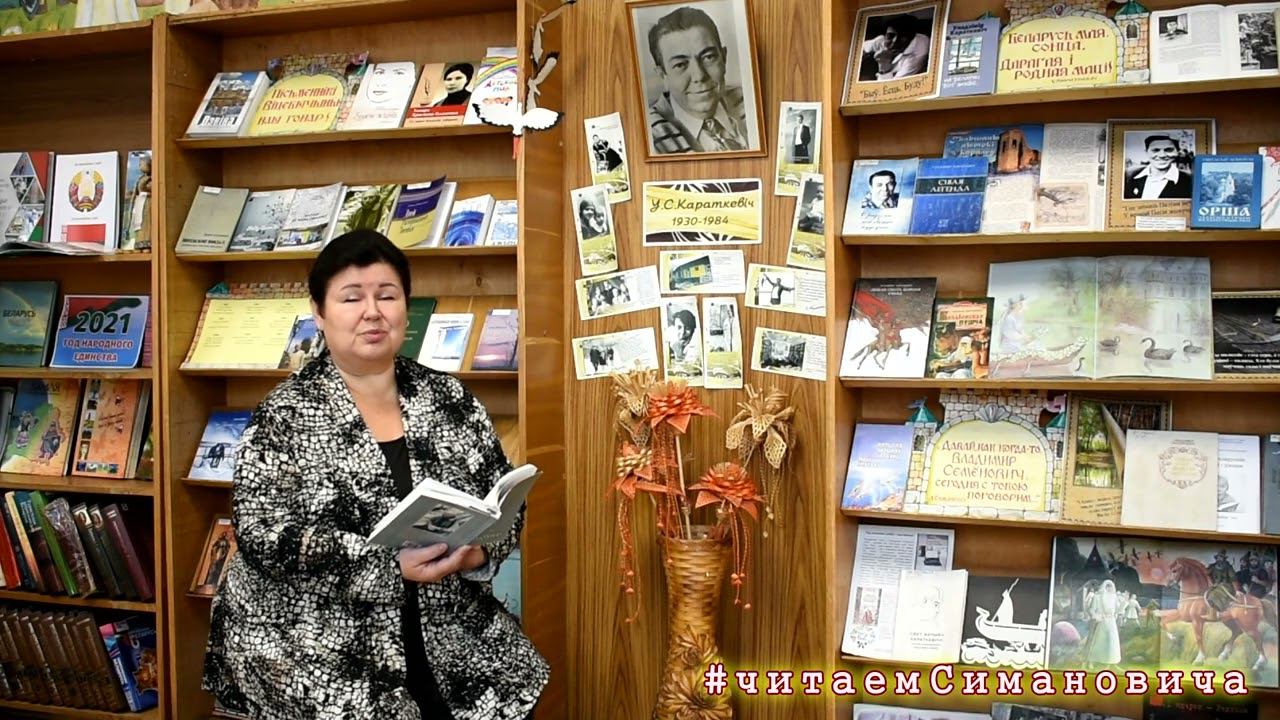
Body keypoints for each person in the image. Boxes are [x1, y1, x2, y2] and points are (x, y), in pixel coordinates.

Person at [202, 231, 548, 720]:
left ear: (405, 307)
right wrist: (388, 565)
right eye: (351, 298)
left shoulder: (449, 398)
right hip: (318, 641)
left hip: (445, 622)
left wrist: (479, 551)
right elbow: (263, 534)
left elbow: (501, 500)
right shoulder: (285, 413)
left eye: (387, 296)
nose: (372, 312)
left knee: (512, 684)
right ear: (319, 313)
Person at [645, 6, 750, 154]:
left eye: (709, 57)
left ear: (724, 57)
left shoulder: (750, 101)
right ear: (663, 75)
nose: (699, 76)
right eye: (680, 65)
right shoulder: (649, 137)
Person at [862, 14, 931, 80]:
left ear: (911, 38)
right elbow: (862, 48)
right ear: (884, 35)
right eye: (890, 36)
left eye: (902, 36)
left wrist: (883, 65)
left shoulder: (916, 56)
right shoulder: (881, 40)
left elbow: (890, 86)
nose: (895, 41)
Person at [1124, 134, 1193, 199]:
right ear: (1146, 152)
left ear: (1177, 152)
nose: (1162, 155)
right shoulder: (1129, 175)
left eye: (1168, 150)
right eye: (1155, 150)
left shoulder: (1190, 180)